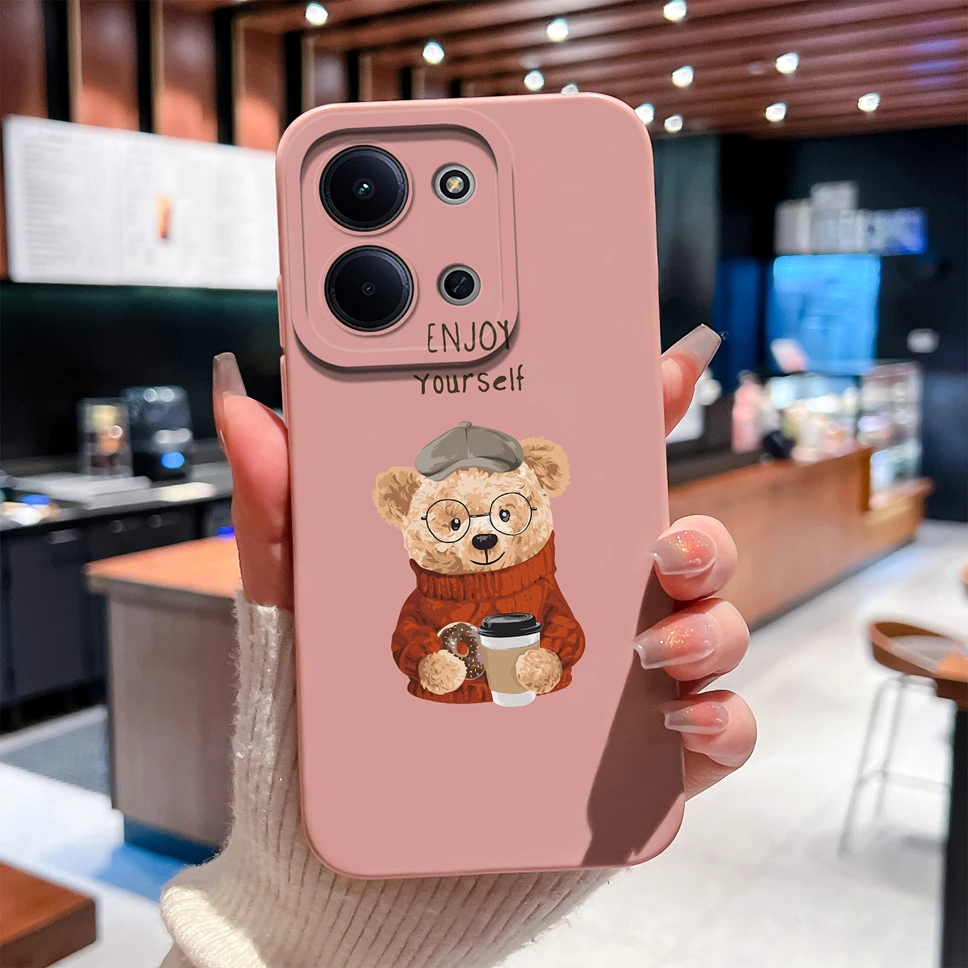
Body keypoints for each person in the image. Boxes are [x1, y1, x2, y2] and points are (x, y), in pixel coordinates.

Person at [160, 324, 756, 968]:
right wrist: (313, 928)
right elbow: (409, 637)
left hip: (540, 738)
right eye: (453, 520)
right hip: (422, 742)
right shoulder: (422, 597)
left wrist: (314, 941)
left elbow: (566, 631)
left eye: (504, 513)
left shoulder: (547, 583)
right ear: (408, 511)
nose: (482, 536)